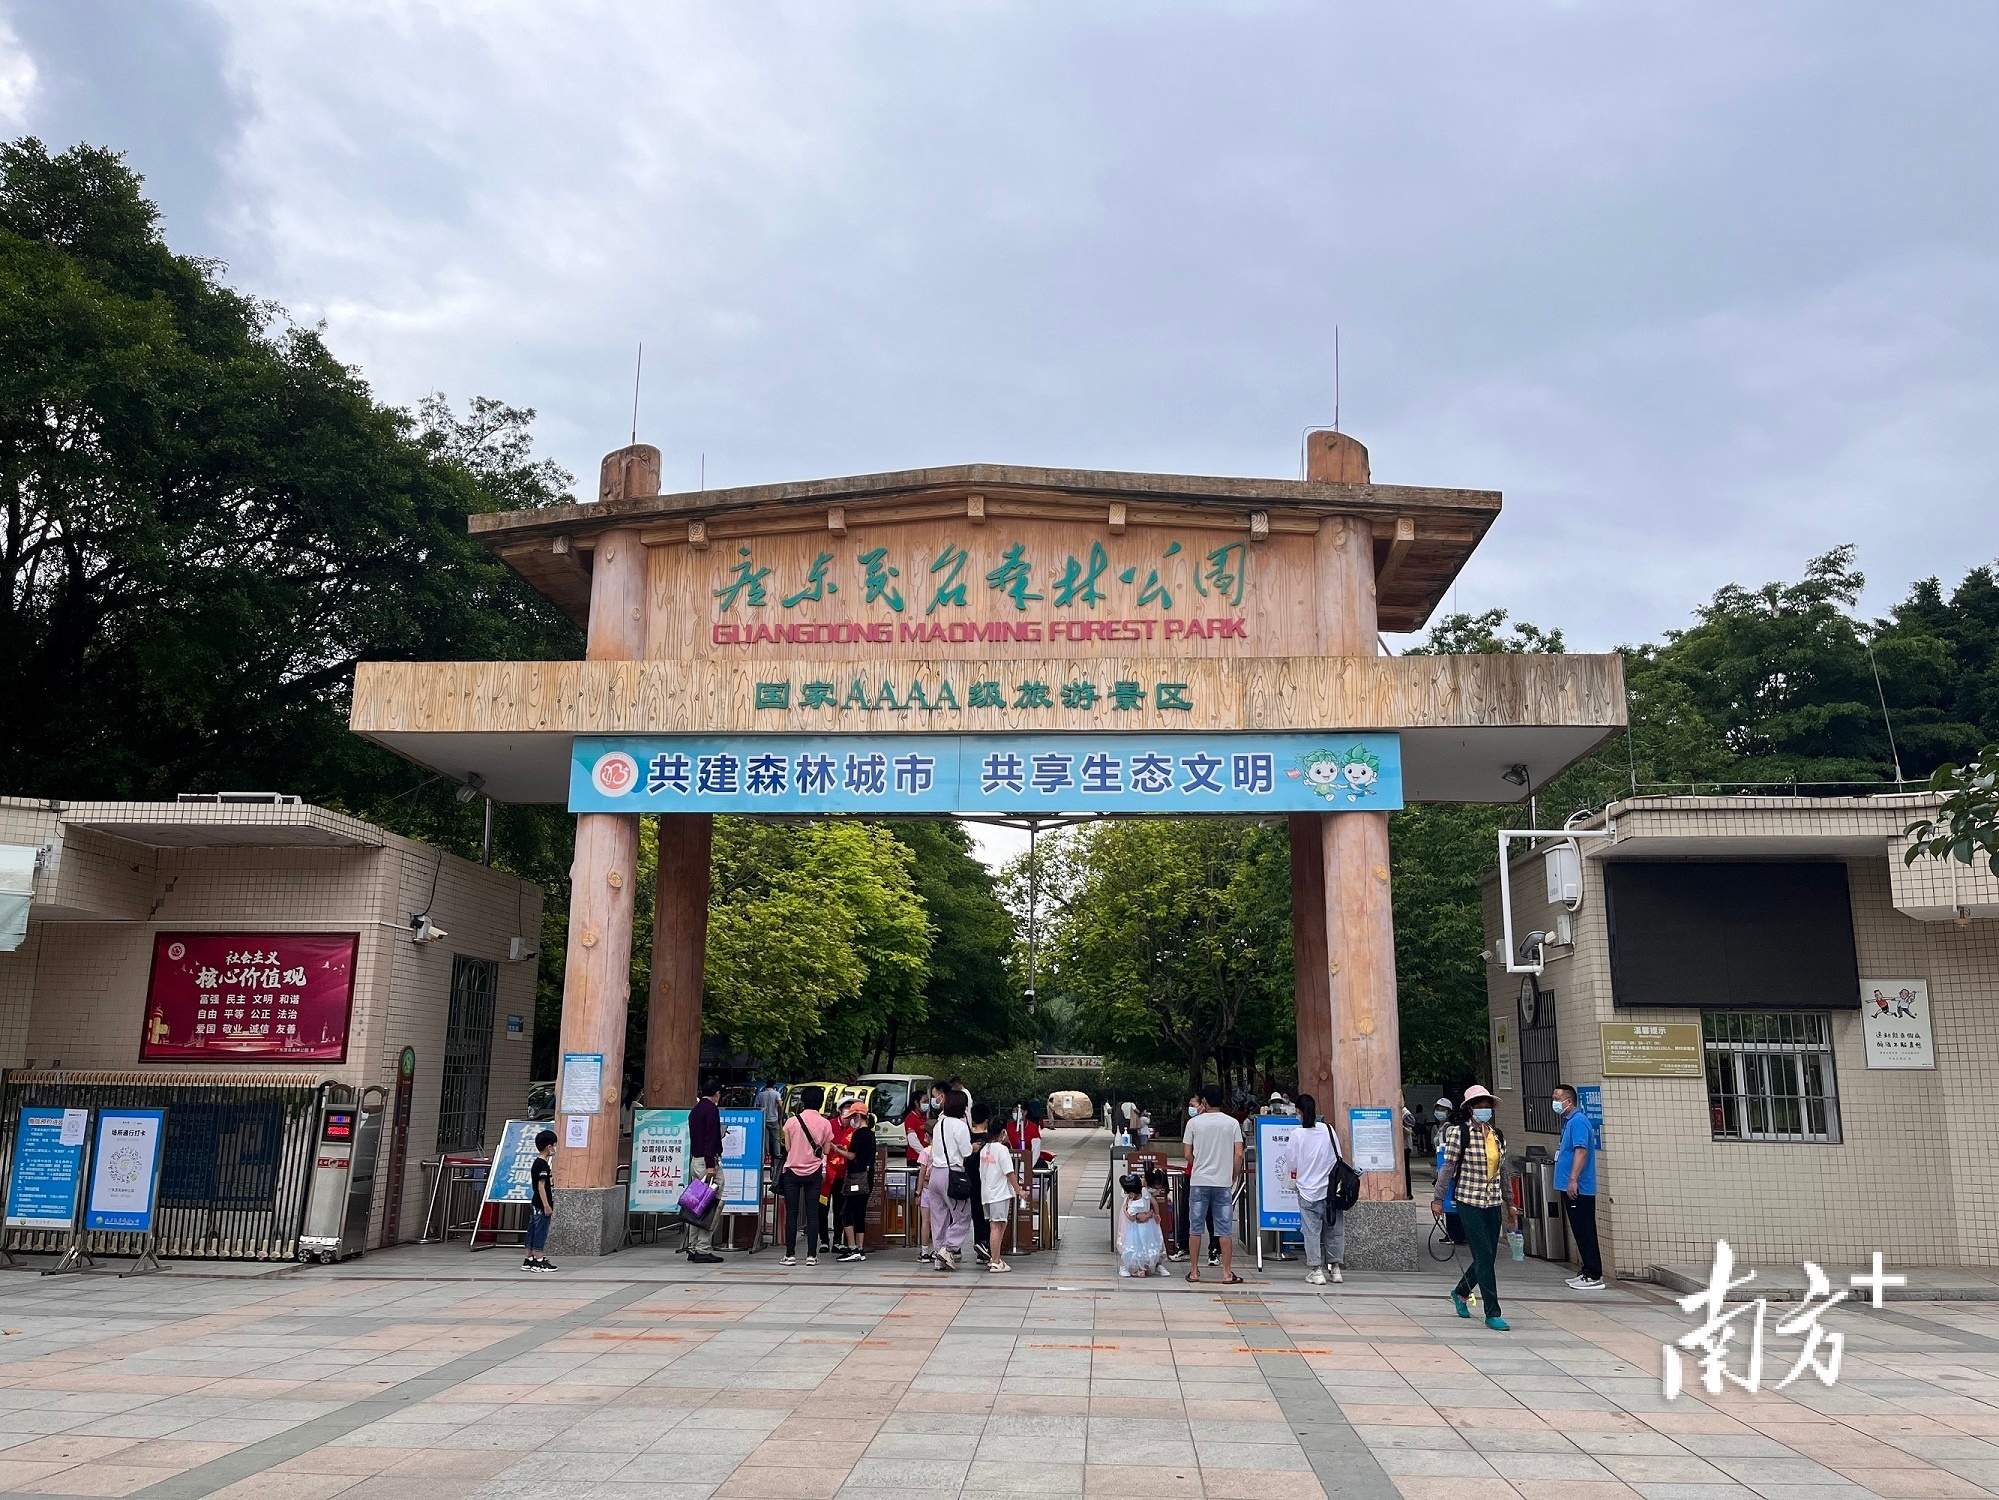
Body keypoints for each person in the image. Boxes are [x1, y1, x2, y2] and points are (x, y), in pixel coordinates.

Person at [1431, 1082, 1517, 1330]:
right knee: (1483, 1256)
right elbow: (1447, 1168)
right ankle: (1492, 1312)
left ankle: (1460, 1291)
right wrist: (1438, 1199)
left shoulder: (1497, 1135)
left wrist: (1510, 1203)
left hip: (1492, 1203)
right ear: (1470, 1109)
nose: (1483, 1110)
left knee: (1487, 1256)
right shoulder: (1460, 1133)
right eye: (1479, 1106)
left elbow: (1503, 1171)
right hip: (1469, 1201)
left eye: (1487, 1106)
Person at [1183, 1085, 1244, 1284]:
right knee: (1224, 1229)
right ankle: (1227, 1273)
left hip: (1199, 1181)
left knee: (1195, 1227)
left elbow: (1186, 1154)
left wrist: (1199, 1164)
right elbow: (1239, 1154)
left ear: (1204, 1102)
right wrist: (1233, 1173)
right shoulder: (1232, 1123)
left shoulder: (1193, 1124)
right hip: (1222, 1182)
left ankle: (1193, 1271)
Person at [1288, 1093, 1345, 1286]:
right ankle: (1336, 1269)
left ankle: (1316, 1270)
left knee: (1311, 1232)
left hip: (1307, 1191)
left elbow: (1291, 1162)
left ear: (1299, 1112)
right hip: (1331, 1191)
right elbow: (1339, 1157)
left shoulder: (1297, 1134)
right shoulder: (1328, 1129)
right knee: (1334, 1230)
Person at [1553, 1084, 1604, 1290]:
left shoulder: (1579, 1122)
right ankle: (1586, 1271)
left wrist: (1573, 1179)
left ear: (1569, 1101)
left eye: (1557, 1098)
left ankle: (1593, 1274)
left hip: (1579, 1187)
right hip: (1570, 1186)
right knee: (1579, 1230)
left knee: (1585, 1230)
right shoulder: (1569, 1122)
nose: (1554, 1102)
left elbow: (1580, 1151)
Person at [780, 1085, 833, 1266]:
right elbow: (826, 1150)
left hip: (792, 1172)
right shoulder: (825, 1123)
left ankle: (790, 1255)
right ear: (820, 1102)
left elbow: (787, 1148)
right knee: (812, 1214)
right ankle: (811, 1255)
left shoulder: (791, 1123)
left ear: (803, 1101)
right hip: (814, 1172)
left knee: (792, 1214)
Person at [930, 1088, 974, 1271]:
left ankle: (939, 1254)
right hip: (952, 1174)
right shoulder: (960, 1126)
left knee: (939, 1217)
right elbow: (966, 1152)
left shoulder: (938, 1124)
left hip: (935, 1174)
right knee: (963, 1214)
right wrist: (974, 1147)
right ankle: (948, 1249)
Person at [684, 1078, 725, 1264]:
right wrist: (711, 1165)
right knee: (711, 1204)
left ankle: (692, 1246)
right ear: (716, 1093)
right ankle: (703, 1247)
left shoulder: (696, 1110)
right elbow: (711, 1138)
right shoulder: (711, 1110)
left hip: (696, 1159)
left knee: (696, 1204)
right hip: (707, 1162)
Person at [978, 1116, 1016, 1273]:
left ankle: (996, 1258)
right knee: (997, 1226)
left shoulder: (984, 1149)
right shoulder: (1002, 1149)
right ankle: (995, 1260)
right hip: (999, 1193)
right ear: (1003, 1132)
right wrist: (1019, 1189)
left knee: (997, 1224)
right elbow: (1009, 1172)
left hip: (986, 1193)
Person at [1431, 1097, 1466, 1245]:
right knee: (1447, 1203)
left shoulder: (1450, 1129)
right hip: (1443, 1170)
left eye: (1443, 1109)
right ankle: (1452, 1234)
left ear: (1449, 1112)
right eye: (1437, 1109)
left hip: (1449, 1172)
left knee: (1451, 1203)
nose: (1439, 1112)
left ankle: (1456, 1234)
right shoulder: (1439, 1128)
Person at [523, 1128, 557, 1273]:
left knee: (532, 1230)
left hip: (534, 1202)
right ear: (549, 1146)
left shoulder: (536, 1163)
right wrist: (547, 1205)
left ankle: (528, 1259)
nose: (555, 1149)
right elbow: (541, 1186)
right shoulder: (543, 1165)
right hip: (541, 1203)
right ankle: (539, 1260)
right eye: (554, 1145)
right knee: (540, 1231)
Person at [1118, 1173, 1165, 1277]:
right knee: (1147, 1244)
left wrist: (1124, 1209)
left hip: (1134, 1229)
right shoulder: (1145, 1192)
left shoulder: (1133, 1205)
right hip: (1148, 1226)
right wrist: (1156, 1214)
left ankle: (1136, 1267)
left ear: (1131, 1193)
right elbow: (1155, 1203)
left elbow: (1131, 1218)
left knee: (1135, 1246)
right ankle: (1145, 1266)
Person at [756, 1079, 783, 1162]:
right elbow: (780, 1105)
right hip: (773, 1119)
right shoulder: (776, 1094)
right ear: (774, 1085)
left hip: (764, 1118)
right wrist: (780, 1116)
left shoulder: (761, 1095)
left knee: (765, 1139)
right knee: (776, 1139)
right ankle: (777, 1155)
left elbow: (758, 1106)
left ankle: (766, 1156)